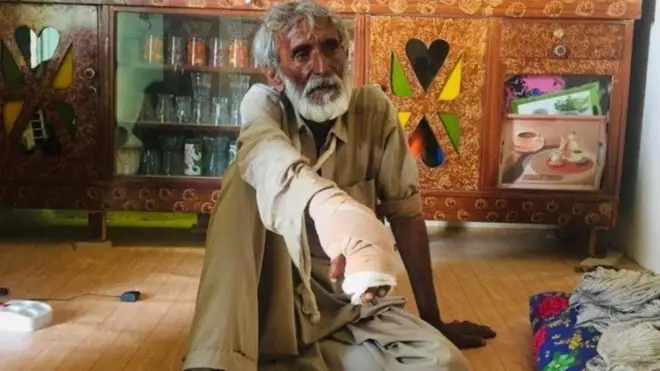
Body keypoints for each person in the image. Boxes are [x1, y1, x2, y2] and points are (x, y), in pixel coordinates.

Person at [183, 1, 495, 370]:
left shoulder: (373, 112)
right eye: (301, 53)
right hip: (275, 302)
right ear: (274, 73)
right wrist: (330, 207)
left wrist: (433, 320)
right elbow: (265, 153)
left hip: (349, 305)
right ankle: (215, 363)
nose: (321, 67)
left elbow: (405, 213)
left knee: (444, 364)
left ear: (345, 53)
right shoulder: (262, 108)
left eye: (330, 47)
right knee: (243, 176)